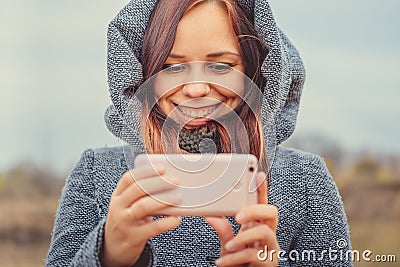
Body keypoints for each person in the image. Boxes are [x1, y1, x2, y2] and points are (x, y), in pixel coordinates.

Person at [46, 0, 352, 266]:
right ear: (143, 74)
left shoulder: (305, 181)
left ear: (255, 72)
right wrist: (108, 255)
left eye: (220, 66)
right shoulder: (96, 175)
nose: (195, 89)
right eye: (172, 67)